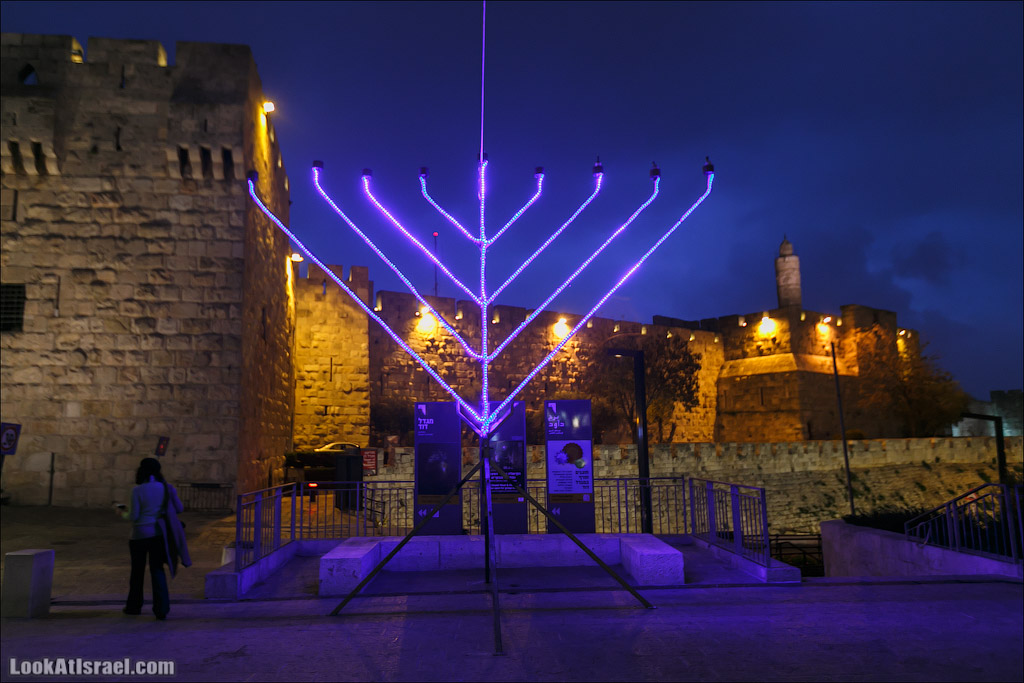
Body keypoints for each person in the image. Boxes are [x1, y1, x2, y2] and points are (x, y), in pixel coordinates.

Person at [119, 457, 190, 619]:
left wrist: (122, 512)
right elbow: (179, 508)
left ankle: (134, 606)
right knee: (157, 569)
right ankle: (161, 608)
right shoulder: (167, 488)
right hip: (158, 534)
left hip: (139, 536)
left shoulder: (137, 490)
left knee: (137, 571)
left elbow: (134, 516)